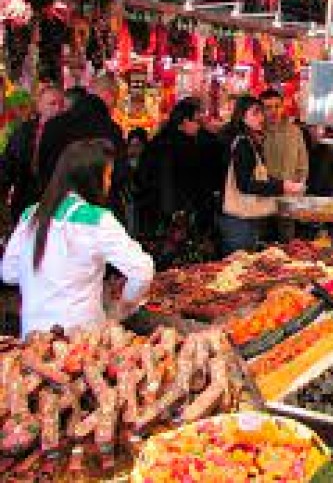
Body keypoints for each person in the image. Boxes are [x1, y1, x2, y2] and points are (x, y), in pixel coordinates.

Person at [1, 139, 154, 338]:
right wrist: (126, 305)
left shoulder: (31, 214)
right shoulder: (98, 219)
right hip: (80, 340)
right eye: (107, 176)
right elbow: (142, 270)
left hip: (32, 336)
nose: (109, 183)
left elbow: (8, 272)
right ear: (91, 179)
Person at [219, 95, 304, 255]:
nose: (262, 117)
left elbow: (259, 177)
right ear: (242, 116)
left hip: (247, 217)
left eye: (261, 112)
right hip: (238, 219)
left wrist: (284, 185)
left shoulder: (251, 141)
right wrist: (282, 186)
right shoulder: (242, 143)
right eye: (256, 113)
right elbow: (245, 184)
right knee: (238, 267)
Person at [136, 98, 221, 236]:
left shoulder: (158, 141)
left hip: (154, 214)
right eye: (197, 121)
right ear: (185, 121)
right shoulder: (186, 146)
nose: (199, 126)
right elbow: (195, 183)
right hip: (180, 215)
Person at [0, 84, 65, 224]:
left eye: (61, 104)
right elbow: (7, 167)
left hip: (56, 206)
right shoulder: (23, 132)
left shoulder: (68, 134)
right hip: (25, 202)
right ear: (39, 106)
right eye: (52, 103)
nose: (57, 109)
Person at [260, 88, 308, 242]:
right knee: (262, 244)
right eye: (268, 107)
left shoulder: (294, 131)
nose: (273, 111)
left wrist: (298, 187)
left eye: (277, 106)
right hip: (261, 198)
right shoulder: (256, 132)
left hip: (288, 199)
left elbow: (302, 164)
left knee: (287, 244)